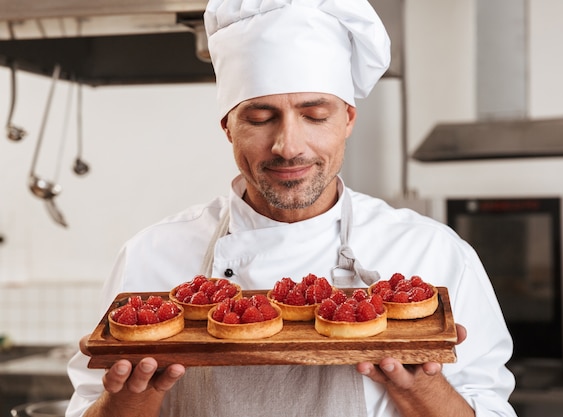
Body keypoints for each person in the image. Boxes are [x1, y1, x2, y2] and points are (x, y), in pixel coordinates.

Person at [66, 1, 517, 416]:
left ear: (348, 120)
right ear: (228, 127)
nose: (289, 146)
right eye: (260, 118)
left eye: (315, 115)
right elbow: (89, 405)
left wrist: (419, 388)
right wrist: (125, 404)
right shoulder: (152, 256)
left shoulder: (433, 253)